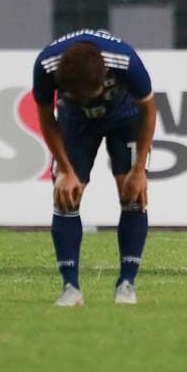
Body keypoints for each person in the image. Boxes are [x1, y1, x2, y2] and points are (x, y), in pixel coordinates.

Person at [32, 29, 156, 306]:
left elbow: (149, 111)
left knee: (133, 194)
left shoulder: (125, 61)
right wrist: (65, 169)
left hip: (125, 119)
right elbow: (45, 119)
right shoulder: (45, 65)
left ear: (105, 76)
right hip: (75, 124)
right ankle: (70, 288)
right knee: (66, 196)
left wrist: (138, 170)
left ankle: (127, 284)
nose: (88, 103)